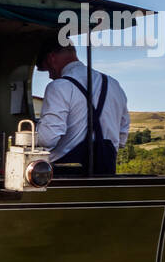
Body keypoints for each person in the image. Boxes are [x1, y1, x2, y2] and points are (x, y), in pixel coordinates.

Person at [35, 36, 129, 176]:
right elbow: (122, 139)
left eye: (47, 69)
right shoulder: (113, 85)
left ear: (51, 58)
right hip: (107, 174)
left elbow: (47, 139)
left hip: (67, 176)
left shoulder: (59, 86)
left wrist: (28, 137)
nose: (49, 75)